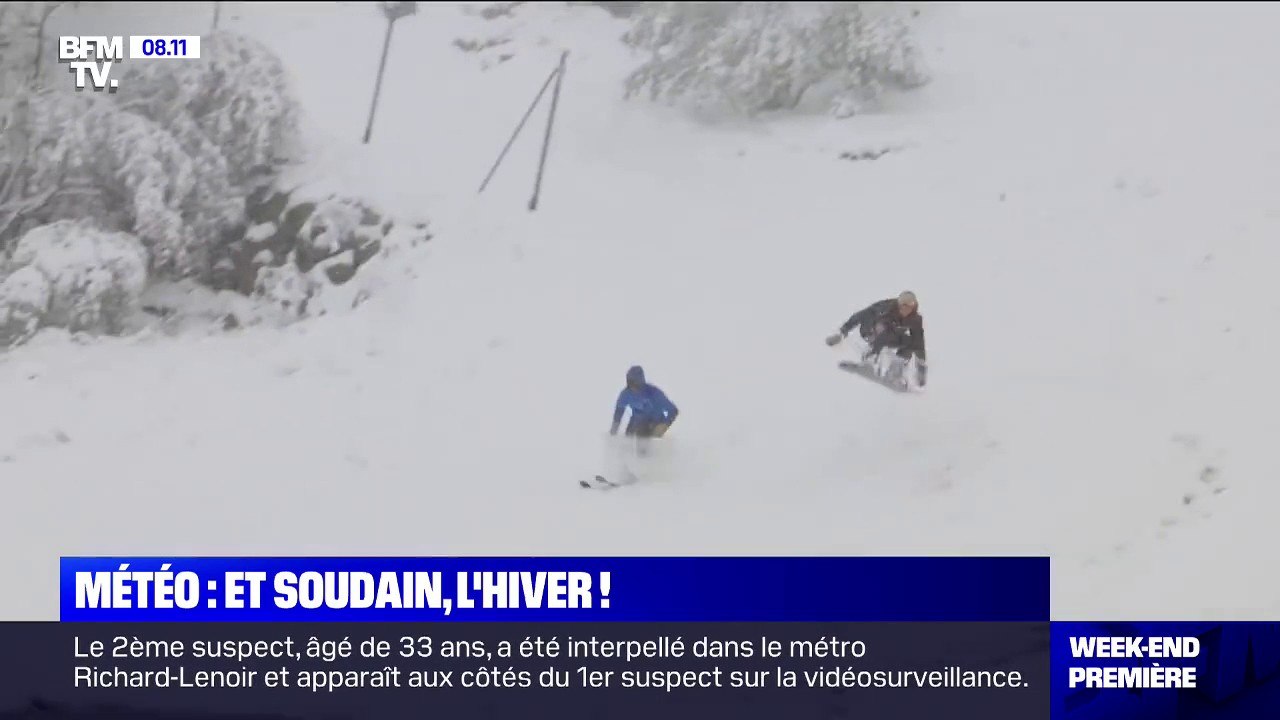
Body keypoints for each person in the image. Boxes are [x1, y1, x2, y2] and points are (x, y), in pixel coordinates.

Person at [826, 290, 927, 385]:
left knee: (910, 341)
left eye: (909, 307)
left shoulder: (915, 319)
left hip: (890, 337)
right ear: (899, 304)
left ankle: (896, 370)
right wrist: (842, 333)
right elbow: (860, 315)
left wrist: (921, 368)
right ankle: (870, 358)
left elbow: (919, 342)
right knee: (886, 329)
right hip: (870, 331)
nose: (906, 309)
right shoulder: (886, 307)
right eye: (903, 305)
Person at [610, 365, 679, 439]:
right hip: (636, 423)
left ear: (640, 382)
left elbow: (673, 410)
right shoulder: (626, 394)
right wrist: (613, 431)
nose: (632, 387)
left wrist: (664, 425)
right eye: (629, 383)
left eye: (634, 383)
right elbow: (619, 411)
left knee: (642, 434)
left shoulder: (653, 393)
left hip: (654, 423)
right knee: (629, 437)